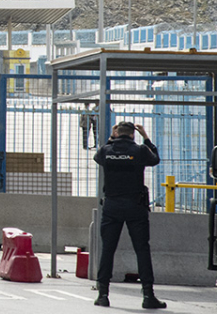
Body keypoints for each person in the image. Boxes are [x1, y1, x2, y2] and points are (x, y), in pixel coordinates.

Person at [92, 121, 166, 309]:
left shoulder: (106, 151)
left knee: (108, 250)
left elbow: (97, 156)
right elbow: (156, 159)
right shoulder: (140, 150)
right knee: (142, 250)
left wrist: (111, 137)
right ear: (133, 134)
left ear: (117, 133)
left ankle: (103, 295)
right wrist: (146, 137)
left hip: (112, 207)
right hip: (135, 207)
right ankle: (148, 295)